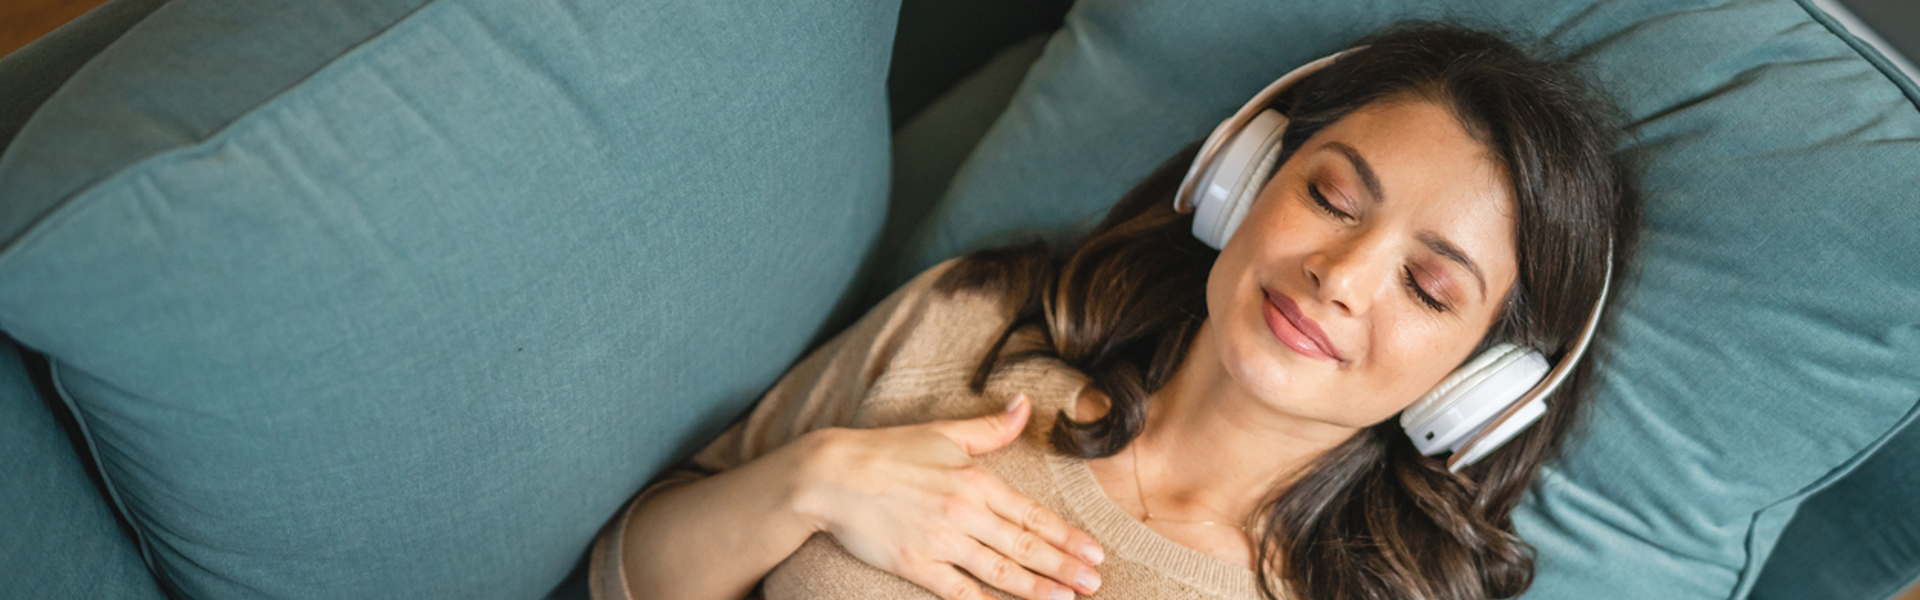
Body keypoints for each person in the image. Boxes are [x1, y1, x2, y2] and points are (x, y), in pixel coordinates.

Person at [592, 21, 1640, 600]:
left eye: (1428, 287)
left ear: (1480, 386)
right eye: (1330, 195)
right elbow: (624, 575)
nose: (1342, 275)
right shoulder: (978, 327)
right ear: (1242, 176)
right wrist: (814, 482)